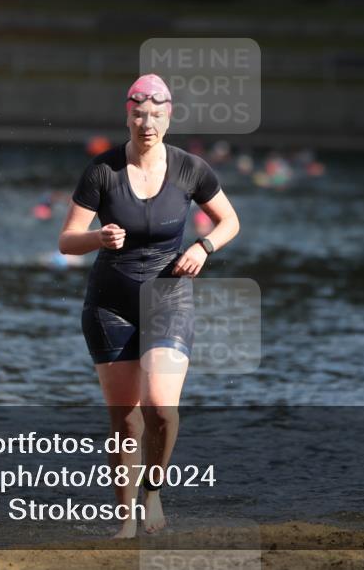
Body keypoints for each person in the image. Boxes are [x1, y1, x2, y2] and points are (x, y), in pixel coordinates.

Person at [58, 74, 239, 538]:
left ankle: (152, 497)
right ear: (128, 115)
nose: (147, 123)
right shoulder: (103, 171)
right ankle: (124, 519)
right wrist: (97, 236)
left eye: (156, 115)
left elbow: (230, 221)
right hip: (109, 305)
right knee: (126, 418)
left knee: (161, 408)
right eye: (139, 114)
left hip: (169, 296)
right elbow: (66, 241)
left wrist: (203, 248)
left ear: (169, 117)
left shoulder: (189, 169)